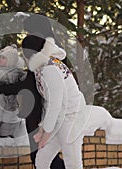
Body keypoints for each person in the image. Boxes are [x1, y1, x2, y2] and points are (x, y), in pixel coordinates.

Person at [0, 14, 65, 168]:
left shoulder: (36, 46)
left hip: (39, 112)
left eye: (29, 31)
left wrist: (1, 88)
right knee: (47, 155)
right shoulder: (55, 49)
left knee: (41, 156)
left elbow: (29, 83)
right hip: (54, 112)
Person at [23, 35, 87, 169]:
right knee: (41, 160)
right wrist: (43, 128)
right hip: (58, 118)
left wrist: (46, 131)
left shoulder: (50, 69)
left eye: (25, 53)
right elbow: (49, 101)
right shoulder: (42, 66)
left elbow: (55, 104)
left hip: (71, 117)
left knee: (73, 162)